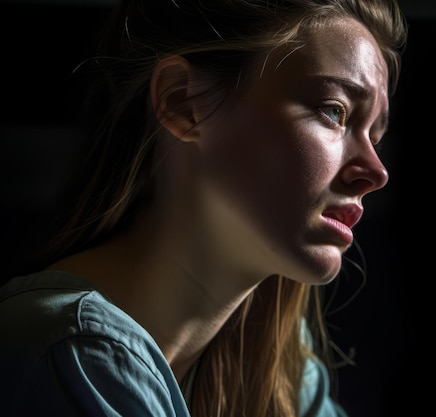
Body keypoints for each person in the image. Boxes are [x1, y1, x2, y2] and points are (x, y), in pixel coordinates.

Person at [0, 0, 407, 415]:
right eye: (334, 111)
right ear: (181, 101)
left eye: (375, 136)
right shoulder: (72, 358)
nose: (375, 172)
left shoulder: (278, 368)